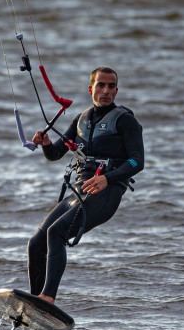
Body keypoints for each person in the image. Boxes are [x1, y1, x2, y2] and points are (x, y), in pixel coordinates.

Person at [28, 67, 144, 303]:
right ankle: (34, 301)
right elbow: (55, 154)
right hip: (80, 190)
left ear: (117, 90)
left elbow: (136, 161)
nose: (106, 91)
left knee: (56, 233)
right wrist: (47, 143)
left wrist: (107, 178)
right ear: (91, 89)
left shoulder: (125, 121)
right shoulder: (81, 120)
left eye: (111, 86)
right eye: (101, 85)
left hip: (106, 192)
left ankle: (48, 298)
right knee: (36, 242)